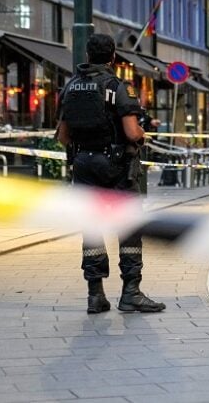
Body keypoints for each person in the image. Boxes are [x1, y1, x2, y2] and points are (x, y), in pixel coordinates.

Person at [57, 33, 165, 314]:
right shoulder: (117, 87)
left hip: (83, 164)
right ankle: (131, 292)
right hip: (116, 167)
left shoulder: (70, 88)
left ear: (86, 56)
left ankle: (95, 295)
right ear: (113, 56)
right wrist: (141, 135)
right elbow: (131, 131)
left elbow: (62, 136)